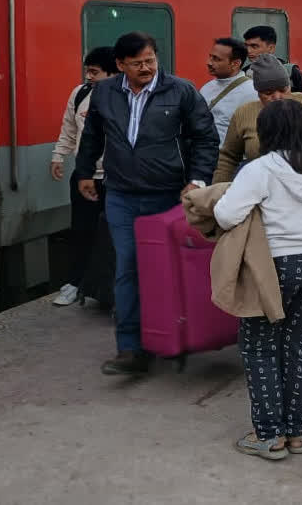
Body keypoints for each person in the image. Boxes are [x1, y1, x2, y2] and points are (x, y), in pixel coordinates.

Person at [213, 99, 302, 460]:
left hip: (273, 266)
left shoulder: (260, 169)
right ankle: (296, 433)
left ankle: (268, 435)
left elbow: (226, 216)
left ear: (267, 133)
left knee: (260, 346)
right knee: (301, 345)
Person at [75, 32, 220, 375]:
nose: (146, 67)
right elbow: (93, 136)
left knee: (165, 268)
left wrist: (197, 180)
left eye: (150, 60)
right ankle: (130, 348)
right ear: (120, 65)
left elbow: (205, 138)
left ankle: (171, 335)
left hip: (167, 195)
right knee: (127, 267)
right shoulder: (105, 92)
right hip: (121, 195)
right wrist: (84, 172)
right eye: (137, 63)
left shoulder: (181, 91)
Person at [49, 47, 120, 306]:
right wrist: (58, 155)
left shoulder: (125, 98)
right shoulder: (80, 94)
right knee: (81, 231)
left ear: (113, 73)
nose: (88, 76)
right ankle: (75, 282)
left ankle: (110, 290)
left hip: (117, 180)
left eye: (94, 72)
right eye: (87, 71)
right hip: (85, 177)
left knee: (114, 236)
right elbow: (69, 128)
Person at [215, 54, 302, 184]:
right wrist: (219, 190)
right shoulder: (244, 114)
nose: (277, 97)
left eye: (283, 90)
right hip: (263, 189)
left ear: (289, 86)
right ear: (258, 93)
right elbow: (228, 158)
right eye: (268, 93)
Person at [200, 38, 259, 144]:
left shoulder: (252, 92)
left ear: (235, 63)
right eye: (210, 57)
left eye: (216, 59)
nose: (209, 63)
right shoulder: (206, 88)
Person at [243, 25, 302, 92]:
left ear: (271, 48)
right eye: (246, 46)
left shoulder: (292, 73)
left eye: (254, 46)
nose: (248, 51)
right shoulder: (243, 73)